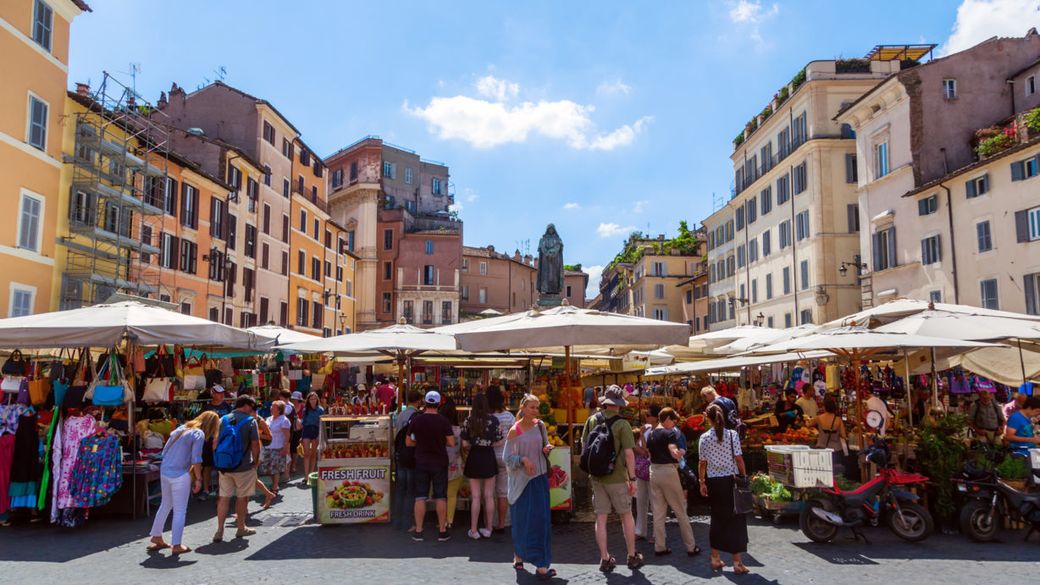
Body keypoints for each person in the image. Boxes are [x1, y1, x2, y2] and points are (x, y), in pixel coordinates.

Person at [582, 385, 642, 573]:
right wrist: (633, 479)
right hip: (617, 478)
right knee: (626, 515)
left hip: (597, 477)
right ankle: (632, 556)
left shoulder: (592, 420)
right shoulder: (622, 424)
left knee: (601, 518)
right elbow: (630, 454)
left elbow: (584, 446)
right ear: (619, 404)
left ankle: (604, 558)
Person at [148, 411, 219, 554]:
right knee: (180, 510)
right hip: (180, 474)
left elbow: (165, 451)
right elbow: (196, 459)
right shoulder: (198, 434)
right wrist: (198, 479)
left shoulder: (180, 429)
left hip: (165, 470)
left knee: (165, 505)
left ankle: (156, 536)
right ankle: (176, 545)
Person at [503, 394, 555, 580]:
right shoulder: (514, 431)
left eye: (537, 407)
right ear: (523, 408)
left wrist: (547, 448)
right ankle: (518, 555)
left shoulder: (540, 426)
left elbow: (545, 443)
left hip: (539, 479)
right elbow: (506, 458)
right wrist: (523, 460)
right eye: (532, 407)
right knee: (522, 521)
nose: (535, 411)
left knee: (540, 522)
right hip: (522, 483)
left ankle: (541, 564)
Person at [699, 404, 750, 575]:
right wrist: (745, 476)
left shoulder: (704, 438)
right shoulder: (732, 435)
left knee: (717, 519)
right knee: (735, 520)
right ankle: (737, 562)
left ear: (708, 418)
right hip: (731, 481)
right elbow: (739, 458)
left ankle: (715, 558)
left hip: (714, 482)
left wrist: (702, 482)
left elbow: (702, 463)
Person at [646, 407, 699, 557]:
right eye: (673, 420)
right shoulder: (669, 433)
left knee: (658, 512)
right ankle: (691, 546)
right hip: (668, 472)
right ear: (667, 419)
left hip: (653, 472)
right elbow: (673, 449)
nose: (674, 423)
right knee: (680, 510)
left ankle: (660, 546)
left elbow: (648, 453)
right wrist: (679, 453)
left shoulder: (651, 434)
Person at [406, 390, 456, 542]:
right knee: (441, 496)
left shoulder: (417, 420)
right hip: (439, 461)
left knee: (420, 496)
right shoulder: (443, 421)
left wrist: (419, 443)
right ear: (439, 403)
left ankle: (419, 531)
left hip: (421, 460)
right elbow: (451, 442)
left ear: (425, 403)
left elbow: (408, 442)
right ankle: (442, 530)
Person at [214, 395, 261, 542]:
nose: (252, 411)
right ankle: (241, 527)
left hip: (225, 466)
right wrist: (256, 462)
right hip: (243, 466)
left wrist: (219, 460)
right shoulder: (251, 421)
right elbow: (255, 445)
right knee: (242, 497)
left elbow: (215, 443)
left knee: (223, 498)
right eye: (252, 408)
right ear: (246, 405)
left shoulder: (223, 419)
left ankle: (219, 530)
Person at [462, 393, 503, 539]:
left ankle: (473, 530)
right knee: (489, 496)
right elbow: (500, 441)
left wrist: (475, 443)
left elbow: (465, 443)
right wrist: (489, 443)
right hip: (488, 457)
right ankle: (489, 528)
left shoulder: (469, 420)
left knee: (476, 497)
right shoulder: (494, 420)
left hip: (474, 457)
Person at [487, 386, 516, 533]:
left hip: (488, 457)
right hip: (506, 456)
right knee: (503, 493)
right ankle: (502, 523)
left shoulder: (485, 416)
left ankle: (489, 523)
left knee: (489, 493)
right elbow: (515, 437)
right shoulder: (509, 416)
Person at [393, 390, 422, 532]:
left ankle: (396, 520)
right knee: (411, 490)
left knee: (400, 489)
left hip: (400, 455)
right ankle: (408, 522)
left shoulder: (400, 415)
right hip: (411, 456)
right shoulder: (416, 416)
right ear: (418, 401)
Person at [198, 384, 231, 500]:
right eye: (219, 393)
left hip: (222, 441)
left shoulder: (227, 406)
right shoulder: (206, 407)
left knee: (220, 466)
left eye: (222, 393)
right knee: (207, 466)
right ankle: (206, 490)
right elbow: (200, 422)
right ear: (213, 394)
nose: (222, 395)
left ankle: (220, 490)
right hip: (208, 440)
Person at [633, 405, 660, 543]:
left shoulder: (658, 431)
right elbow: (638, 448)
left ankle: (657, 533)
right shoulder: (647, 428)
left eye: (648, 415)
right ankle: (640, 530)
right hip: (642, 469)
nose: (646, 417)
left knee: (655, 502)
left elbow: (646, 450)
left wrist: (642, 438)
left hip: (653, 469)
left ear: (655, 417)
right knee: (641, 500)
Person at [440, 398, 464, 530]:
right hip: (456, 464)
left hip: (441, 464)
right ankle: (449, 520)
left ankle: (442, 520)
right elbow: (462, 449)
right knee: (452, 494)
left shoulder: (439, 429)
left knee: (441, 494)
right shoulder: (458, 430)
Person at [806, 397, 847, 472]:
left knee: (823, 470)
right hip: (836, 450)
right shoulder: (838, 420)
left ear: (824, 407)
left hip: (822, 448)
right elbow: (843, 435)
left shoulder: (818, 418)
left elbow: (808, 425)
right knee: (835, 471)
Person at [260, 400, 291, 494]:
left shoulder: (284, 420)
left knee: (275, 468)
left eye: (273, 407)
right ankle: (274, 484)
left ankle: (275, 487)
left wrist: (285, 447)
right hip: (267, 446)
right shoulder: (269, 419)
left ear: (279, 410)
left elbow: (287, 436)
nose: (271, 408)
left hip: (278, 447)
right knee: (268, 468)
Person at [300, 392, 324, 480]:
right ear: (308, 400)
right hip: (307, 430)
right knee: (306, 453)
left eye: (314, 399)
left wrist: (319, 434)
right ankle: (306, 476)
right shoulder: (305, 410)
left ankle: (311, 474)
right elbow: (303, 422)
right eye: (311, 399)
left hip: (316, 430)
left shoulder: (320, 410)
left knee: (313, 454)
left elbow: (322, 423)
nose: (313, 401)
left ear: (317, 400)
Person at [287, 391, 304, 475]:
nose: (294, 400)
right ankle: (288, 465)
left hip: (298, 430)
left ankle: (293, 464)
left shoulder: (303, 408)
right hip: (289, 430)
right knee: (289, 448)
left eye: (295, 399)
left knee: (295, 448)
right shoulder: (289, 407)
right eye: (293, 399)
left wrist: (301, 422)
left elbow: (305, 419)